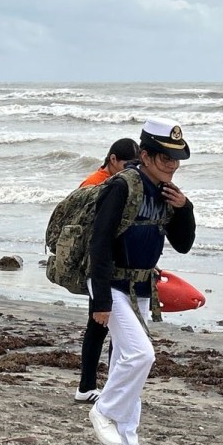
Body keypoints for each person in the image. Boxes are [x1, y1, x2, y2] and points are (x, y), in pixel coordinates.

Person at [86, 118, 195, 445]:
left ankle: (127, 436)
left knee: (125, 357)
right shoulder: (121, 186)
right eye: (165, 158)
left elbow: (183, 244)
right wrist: (100, 299)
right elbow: (99, 242)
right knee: (141, 355)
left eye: (176, 159)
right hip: (112, 283)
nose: (172, 166)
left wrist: (184, 208)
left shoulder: (166, 193)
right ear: (145, 156)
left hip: (142, 287)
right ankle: (103, 410)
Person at [74, 138, 140, 403]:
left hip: (119, 266)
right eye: (127, 164)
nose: (132, 170)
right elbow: (91, 232)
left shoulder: (123, 184)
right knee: (98, 326)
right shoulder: (95, 184)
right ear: (112, 160)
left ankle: (108, 386)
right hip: (99, 266)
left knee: (111, 330)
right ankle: (87, 387)